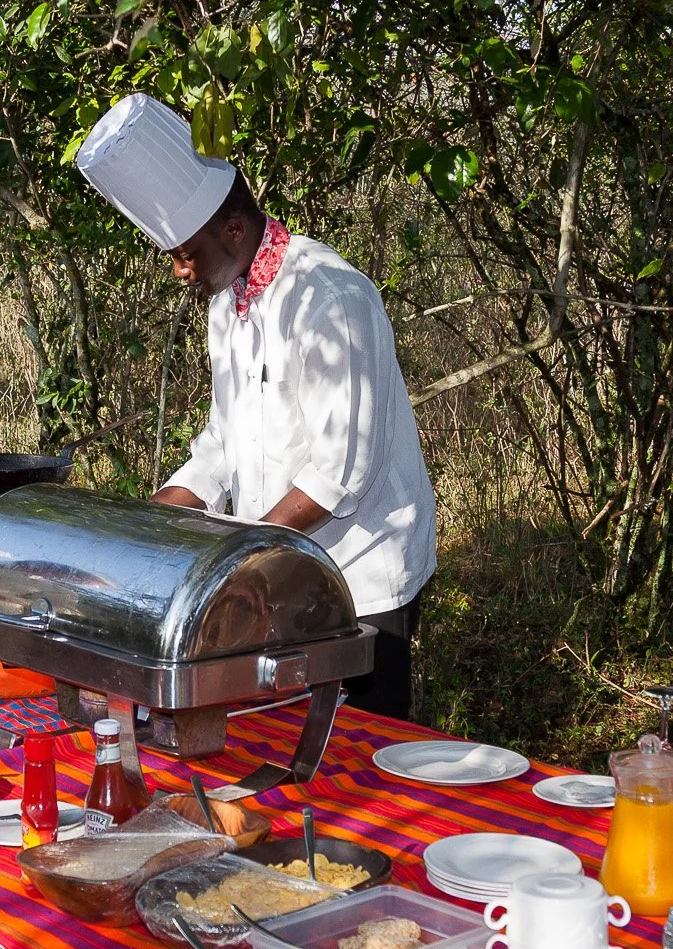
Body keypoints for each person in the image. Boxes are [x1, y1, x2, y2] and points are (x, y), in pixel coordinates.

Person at [75, 94, 438, 720]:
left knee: (361, 758)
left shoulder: (331, 297)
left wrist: (239, 557)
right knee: (280, 743)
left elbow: (338, 473)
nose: (180, 274)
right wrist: (147, 528)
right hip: (276, 571)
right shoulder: (226, 307)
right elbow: (221, 447)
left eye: (187, 255)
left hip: (362, 573)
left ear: (235, 231)